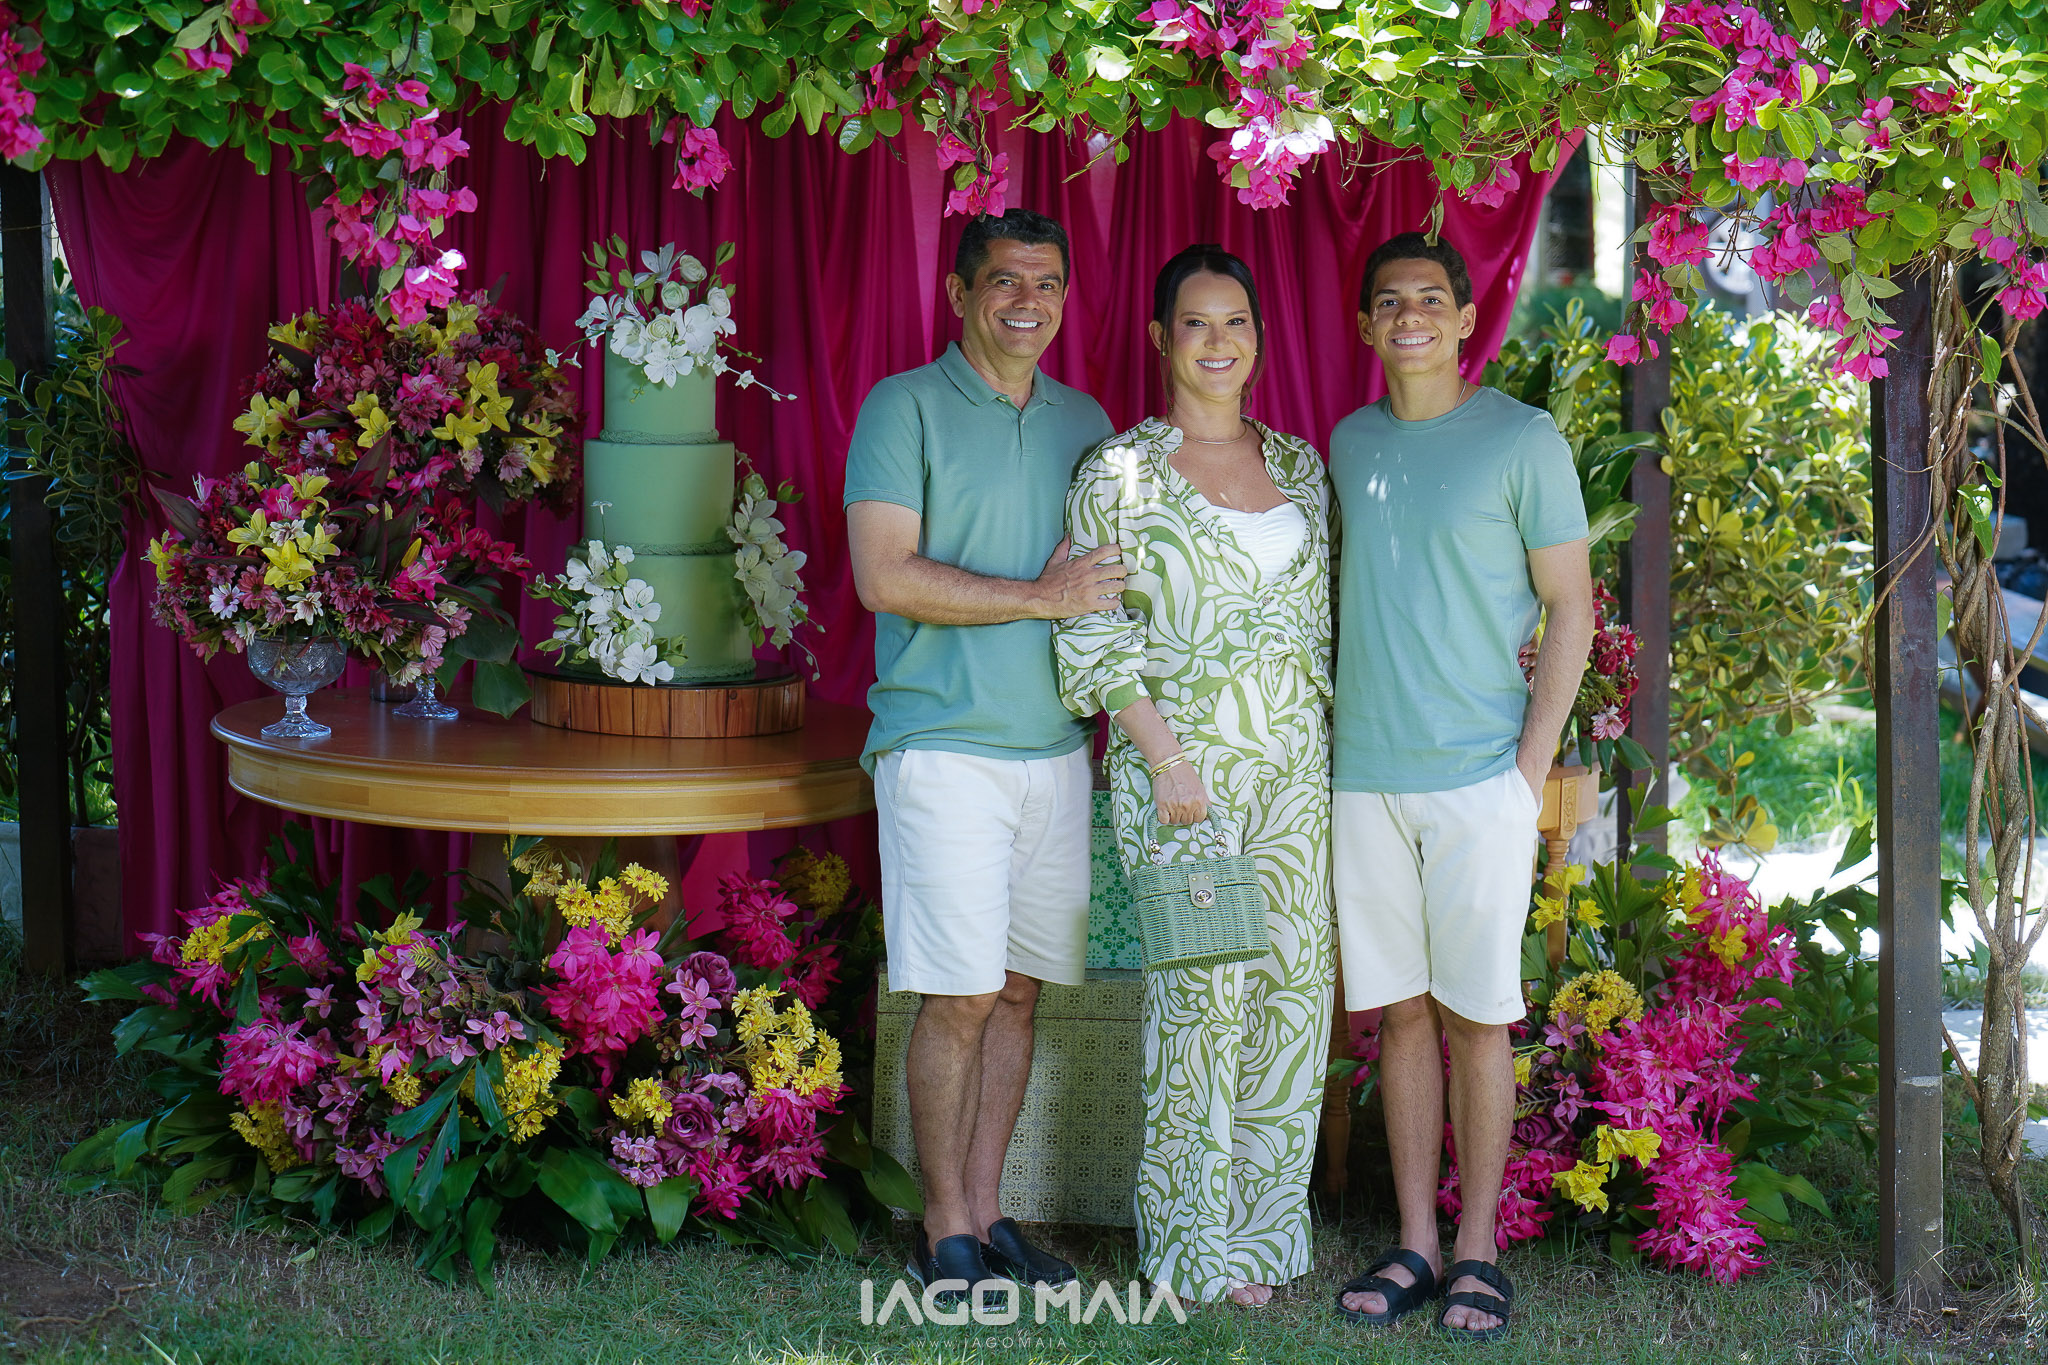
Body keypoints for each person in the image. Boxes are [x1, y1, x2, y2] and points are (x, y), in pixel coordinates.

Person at [843, 209, 1122, 1303]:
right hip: (941, 747)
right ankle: (942, 1228)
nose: (1025, 301)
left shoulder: (1086, 422)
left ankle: (989, 1210)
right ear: (960, 293)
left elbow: (1107, 585)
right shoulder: (901, 406)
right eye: (1004, 280)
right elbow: (884, 574)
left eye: (1046, 283)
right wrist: (1039, 598)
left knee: (1016, 997)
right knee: (957, 998)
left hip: (1056, 750)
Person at [1053, 244, 1333, 1308]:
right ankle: (1189, 1247)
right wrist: (1163, 753)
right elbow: (1089, 630)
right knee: (1200, 1004)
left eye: (1235, 322)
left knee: (1289, 1001)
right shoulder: (1118, 473)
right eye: (1195, 323)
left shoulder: (1302, 468)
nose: (1217, 342)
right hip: (1184, 776)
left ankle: (1258, 1242)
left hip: (1296, 774)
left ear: (1258, 338)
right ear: (1160, 339)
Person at [1328, 232, 1595, 1343]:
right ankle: (1414, 1243)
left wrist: (1526, 772)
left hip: (1479, 777)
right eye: (1389, 302)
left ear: (1466, 318)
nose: (1410, 317)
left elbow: (1571, 606)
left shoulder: (1522, 439)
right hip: (1361, 778)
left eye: (1430, 299)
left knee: (1478, 1017)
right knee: (1398, 1015)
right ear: (1365, 324)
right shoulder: (1348, 444)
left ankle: (1477, 1249)